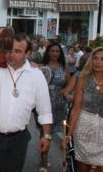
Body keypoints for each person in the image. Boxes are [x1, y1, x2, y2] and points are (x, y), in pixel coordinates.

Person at [0, 29, 53, 172]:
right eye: (9, 50)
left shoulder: (36, 76)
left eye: (17, 51)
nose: (11, 55)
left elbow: (45, 110)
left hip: (18, 141)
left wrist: (47, 136)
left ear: (28, 54)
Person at [63, 47, 103, 172]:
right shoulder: (83, 79)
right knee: (83, 167)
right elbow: (76, 109)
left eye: (102, 59)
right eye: (95, 58)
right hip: (84, 129)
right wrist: (68, 135)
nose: (98, 62)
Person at [40, 43, 70, 171]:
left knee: (63, 133)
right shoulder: (43, 67)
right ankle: (44, 163)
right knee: (45, 134)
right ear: (48, 52)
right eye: (52, 51)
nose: (55, 53)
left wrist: (67, 93)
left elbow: (68, 85)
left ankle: (65, 162)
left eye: (57, 51)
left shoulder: (64, 67)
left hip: (60, 104)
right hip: (45, 103)